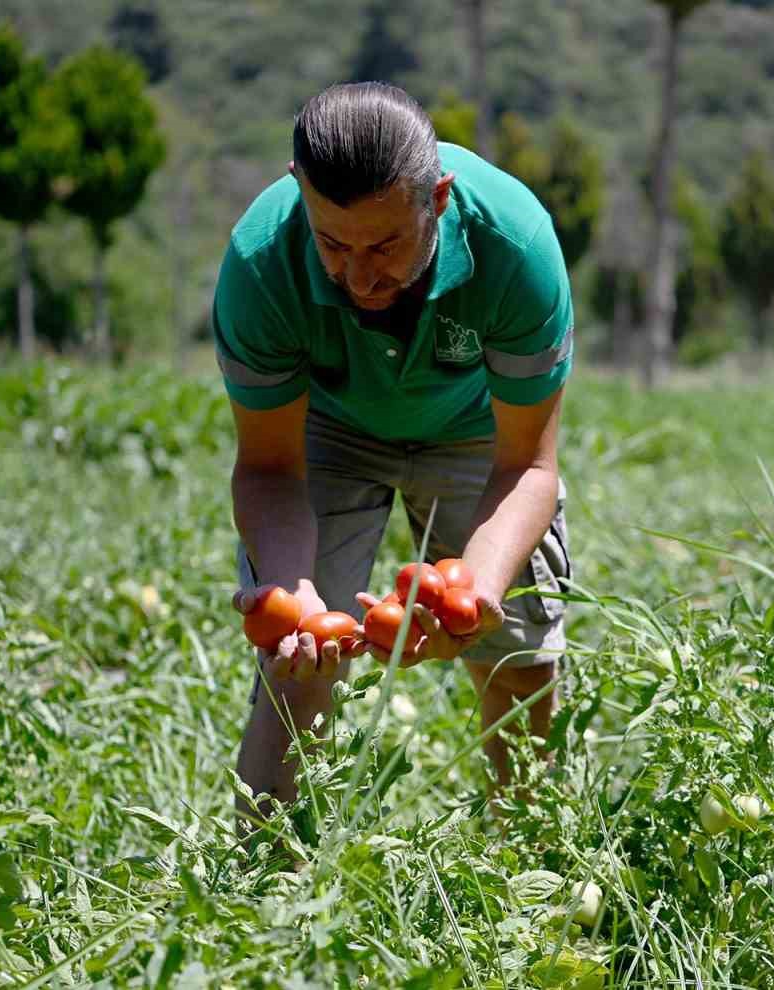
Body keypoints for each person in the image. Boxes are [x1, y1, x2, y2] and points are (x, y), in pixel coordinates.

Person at [211, 81, 574, 831]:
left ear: (436, 198)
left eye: (385, 245)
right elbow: (270, 469)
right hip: (329, 432)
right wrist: (293, 593)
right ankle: (263, 893)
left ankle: (531, 866)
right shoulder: (259, 263)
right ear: (298, 193)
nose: (359, 276)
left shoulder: (516, 247)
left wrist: (472, 593)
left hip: (476, 429)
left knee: (519, 663)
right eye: (333, 244)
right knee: (298, 669)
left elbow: (529, 466)